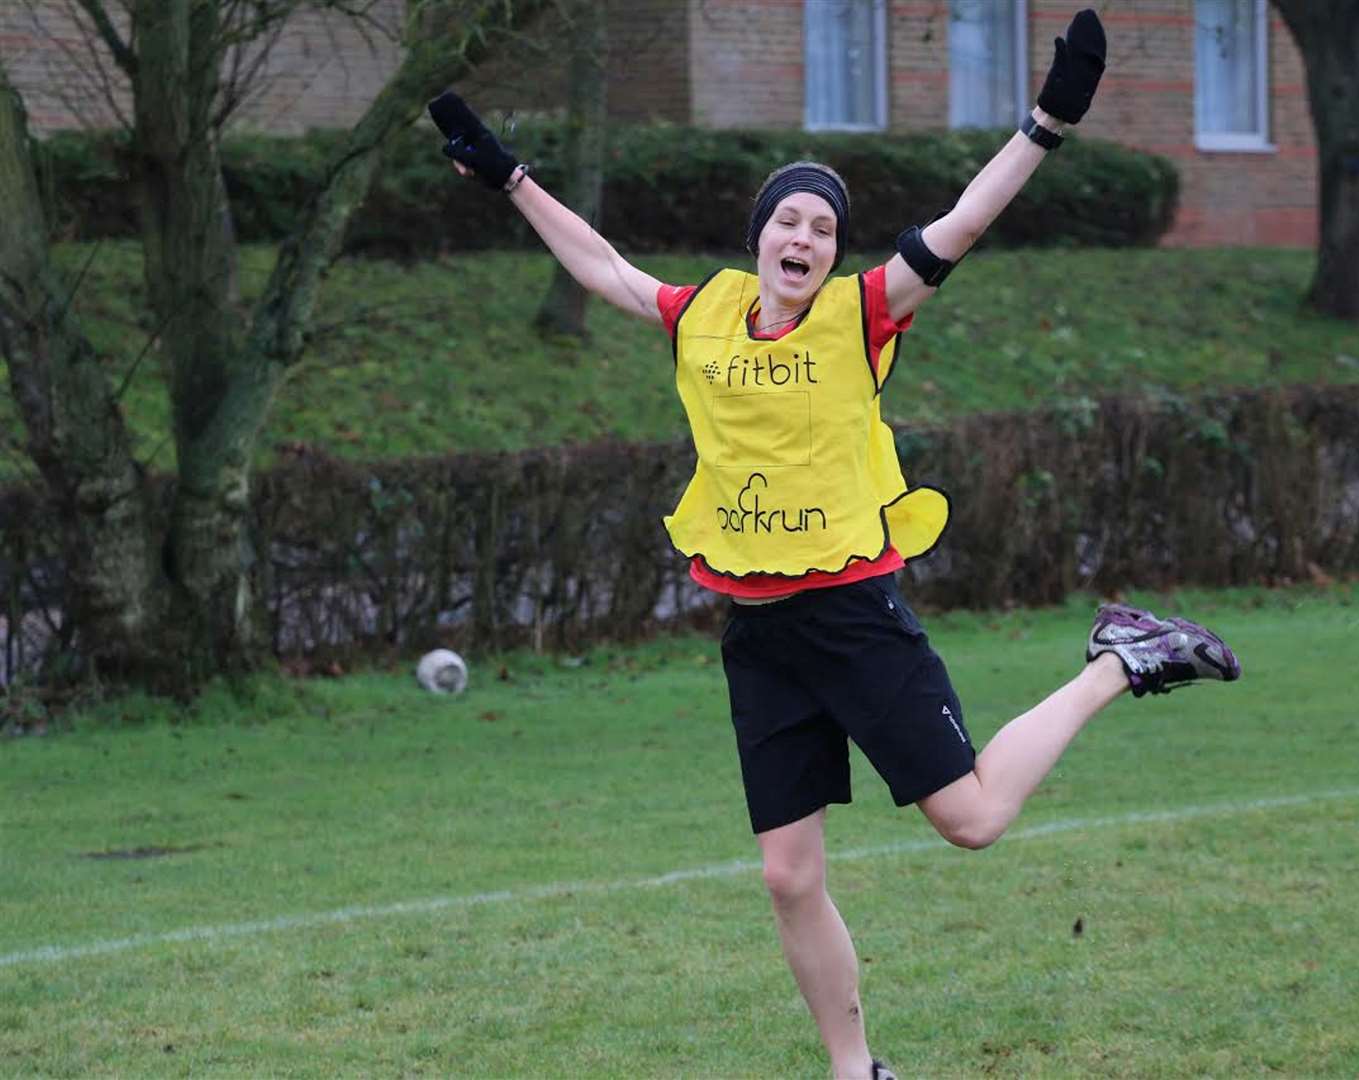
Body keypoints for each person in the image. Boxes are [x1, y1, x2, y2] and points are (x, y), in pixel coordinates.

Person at [428, 10, 1239, 1077]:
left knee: (974, 820)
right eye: (789, 222)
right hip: (757, 633)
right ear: (759, 236)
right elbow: (603, 268)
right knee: (787, 876)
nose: (804, 238)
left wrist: (1046, 122)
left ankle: (1116, 660)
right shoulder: (702, 314)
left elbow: (962, 222)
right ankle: (856, 1071)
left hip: (853, 614)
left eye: (822, 227)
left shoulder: (861, 314)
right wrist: (512, 179)